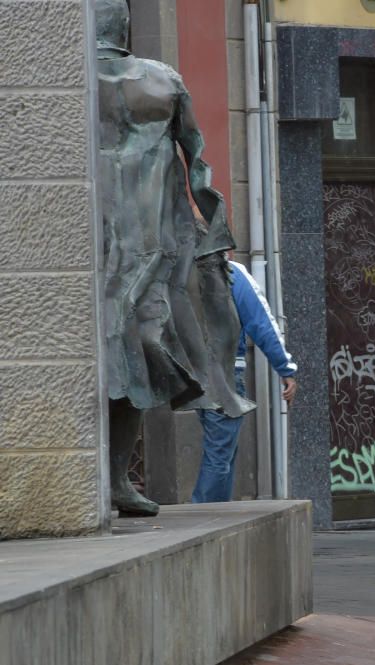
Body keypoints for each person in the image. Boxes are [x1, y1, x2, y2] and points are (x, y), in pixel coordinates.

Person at [96, 0, 251, 516]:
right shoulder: (153, 80)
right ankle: (104, 477)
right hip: (114, 243)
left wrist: (210, 236)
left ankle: (116, 478)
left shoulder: (158, 81)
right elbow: (200, 163)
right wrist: (212, 234)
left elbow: (196, 158)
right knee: (127, 349)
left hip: (143, 244)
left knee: (137, 349)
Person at [192, 261, 298, 503]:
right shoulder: (231, 273)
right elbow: (262, 323)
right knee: (219, 453)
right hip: (224, 374)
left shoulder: (181, 268)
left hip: (191, 373)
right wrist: (285, 368)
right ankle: (204, 515)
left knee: (222, 449)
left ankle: (216, 512)